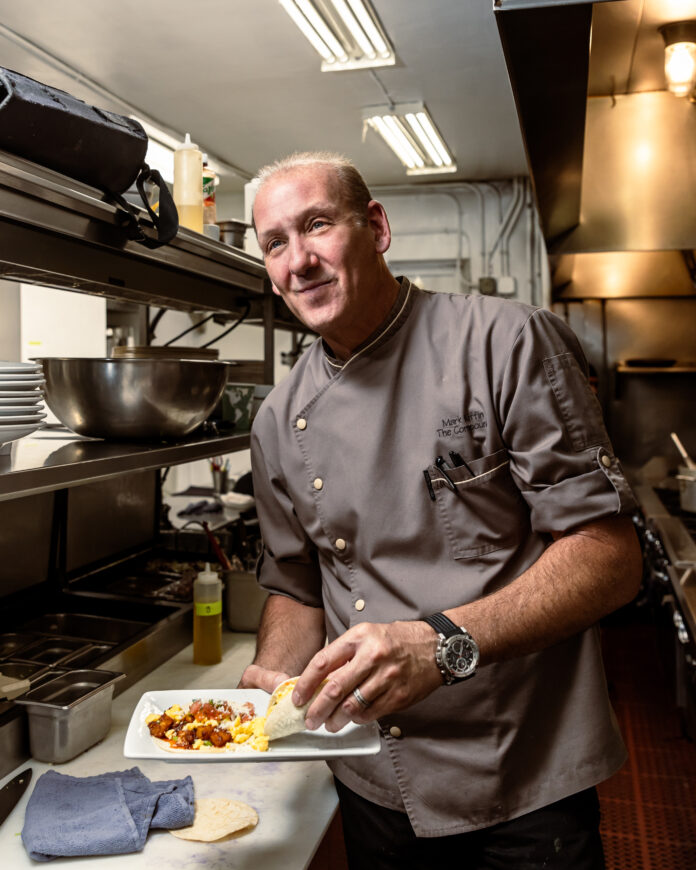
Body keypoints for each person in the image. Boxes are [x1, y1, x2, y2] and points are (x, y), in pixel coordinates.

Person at [239, 151, 642, 869]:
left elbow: (610, 559)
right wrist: (274, 680)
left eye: (317, 226)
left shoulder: (504, 341)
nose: (299, 260)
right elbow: (296, 582)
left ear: (377, 227)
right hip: (372, 774)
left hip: (519, 773)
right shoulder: (278, 418)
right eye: (275, 243)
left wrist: (441, 644)